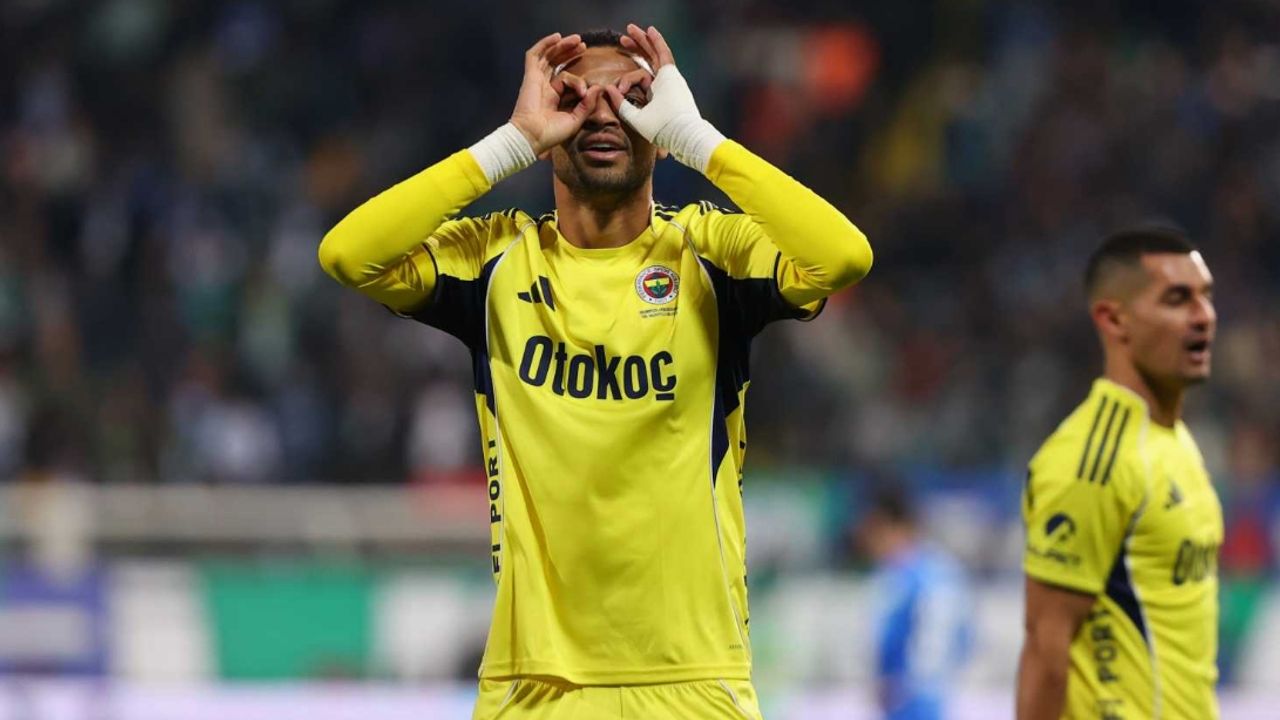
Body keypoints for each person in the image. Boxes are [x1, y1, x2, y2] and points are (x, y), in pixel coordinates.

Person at [319, 24, 872, 719]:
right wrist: (510, 143)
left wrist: (698, 139)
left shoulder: (710, 253)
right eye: (575, 97)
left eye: (632, 97)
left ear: (660, 122)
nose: (603, 113)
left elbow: (843, 257)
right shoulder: (495, 261)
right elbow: (348, 255)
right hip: (533, 686)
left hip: (694, 682)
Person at [1016, 228, 1221, 719]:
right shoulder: (1092, 461)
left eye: (1206, 296)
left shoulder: (1175, 441)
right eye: (1178, 299)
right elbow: (1045, 652)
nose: (1204, 316)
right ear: (1113, 319)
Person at [857, 484, 971, 720]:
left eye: (874, 530)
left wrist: (909, 685)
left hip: (916, 703)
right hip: (900, 701)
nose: (868, 540)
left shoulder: (928, 575)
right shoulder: (891, 573)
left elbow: (938, 642)